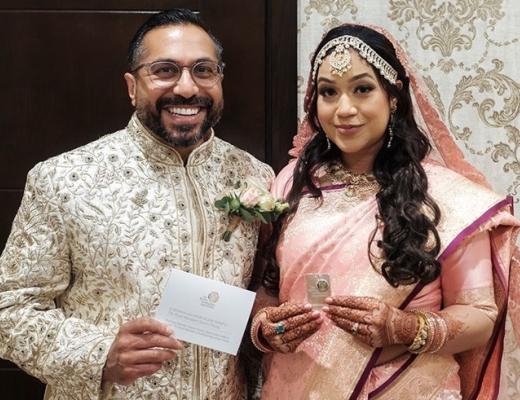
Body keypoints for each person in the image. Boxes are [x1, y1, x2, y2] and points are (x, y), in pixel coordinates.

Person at [0, 8, 273, 400]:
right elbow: (9, 308)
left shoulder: (255, 177)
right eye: (164, 70)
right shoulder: (64, 179)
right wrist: (99, 354)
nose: (185, 88)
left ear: (220, 81)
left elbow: (264, 290)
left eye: (203, 70)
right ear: (132, 86)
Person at [249, 23, 520, 399]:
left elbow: (479, 317)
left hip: (406, 386)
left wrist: (405, 328)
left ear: (393, 97)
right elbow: (268, 286)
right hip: (298, 384)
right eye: (328, 92)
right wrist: (266, 328)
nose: (344, 109)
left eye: (362, 89)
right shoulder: (292, 184)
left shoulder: (445, 196)